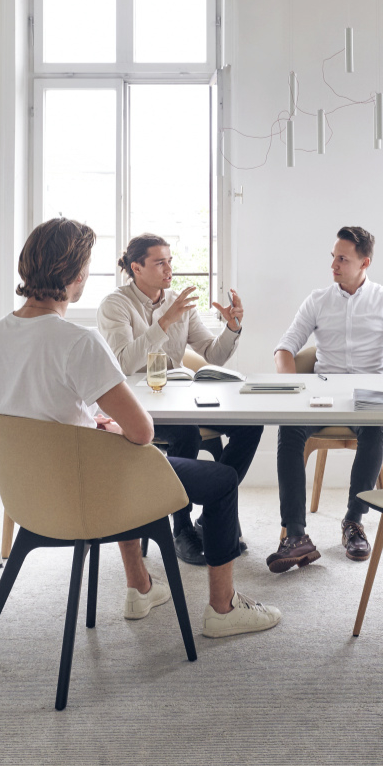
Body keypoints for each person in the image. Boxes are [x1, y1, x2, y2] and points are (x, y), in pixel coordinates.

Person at [0, 217, 280, 638]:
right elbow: (140, 431)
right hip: (93, 489)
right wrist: (108, 427)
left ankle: (140, 586)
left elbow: (34, 412)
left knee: (117, 448)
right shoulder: (77, 340)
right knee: (220, 478)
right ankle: (223, 610)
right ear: (76, 274)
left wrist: (93, 423)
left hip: (32, 497)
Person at [97, 233, 262, 567]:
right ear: (136, 267)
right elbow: (125, 363)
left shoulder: (178, 302)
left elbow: (212, 354)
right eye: (160, 262)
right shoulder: (115, 305)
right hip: (139, 406)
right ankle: (181, 526)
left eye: (170, 260)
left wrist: (232, 328)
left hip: (182, 396)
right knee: (186, 433)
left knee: (250, 422)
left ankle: (212, 511)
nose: (169, 268)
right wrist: (165, 321)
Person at [269, 226, 383, 571]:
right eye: (333, 257)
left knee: (374, 431)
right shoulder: (318, 300)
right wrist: (293, 388)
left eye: (343, 258)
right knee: (288, 430)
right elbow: (285, 347)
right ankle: (295, 535)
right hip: (322, 394)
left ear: (364, 262)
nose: (334, 265)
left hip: (368, 397)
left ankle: (354, 522)